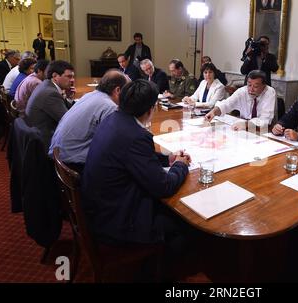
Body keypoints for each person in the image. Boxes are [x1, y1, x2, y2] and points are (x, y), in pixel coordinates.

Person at [81, 79, 194, 278]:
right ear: (151, 109)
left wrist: (167, 158)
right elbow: (164, 187)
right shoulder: (135, 135)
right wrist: (180, 165)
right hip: (118, 219)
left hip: (99, 206)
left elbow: (136, 158)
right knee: (184, 223)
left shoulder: (114, 118)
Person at [49, 70, 129, 174]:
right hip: (73, 164)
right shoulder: (109, 106)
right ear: (118, 90)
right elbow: (115, 142)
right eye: (127, 91)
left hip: (60, 156)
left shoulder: (90, 95)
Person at [25, 60, 75, 150]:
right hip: (44, 141)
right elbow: (68, 122)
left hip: (38, 133)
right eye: (69, 76)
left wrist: (69, 98)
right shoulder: (50, 93)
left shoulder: (46, 85)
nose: (72, 80)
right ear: (55, 76)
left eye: (73, 77)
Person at [205, 70, 275, 129]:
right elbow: (227, 104)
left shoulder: (269, 92)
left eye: (255, 86)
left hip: (261, 129)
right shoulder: (242, 91)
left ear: (264, 85)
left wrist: (246, 124)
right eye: (249, 85)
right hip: (242, 127)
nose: (251, 89)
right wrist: (214, 112)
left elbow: (265, 120)